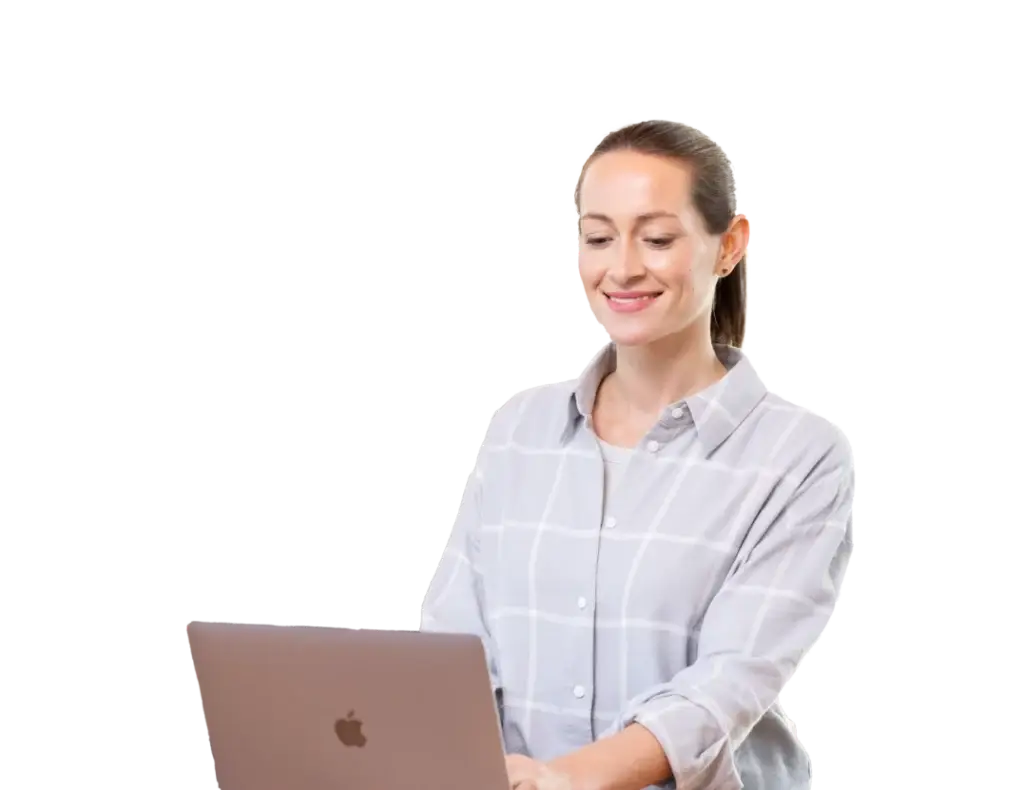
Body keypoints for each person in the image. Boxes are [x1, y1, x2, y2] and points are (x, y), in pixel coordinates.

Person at [422, 119, 855, 790]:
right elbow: (454, 645)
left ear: (729, 244)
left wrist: (562, 779)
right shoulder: (520, 426)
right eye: (598, 237)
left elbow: (727, 683)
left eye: (656, 239)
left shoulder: (798, 454)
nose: (622, 267)